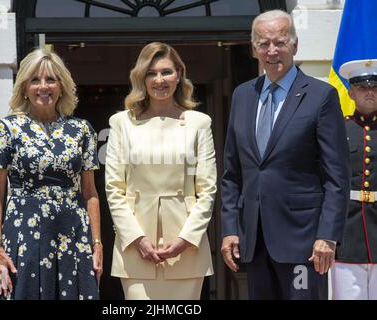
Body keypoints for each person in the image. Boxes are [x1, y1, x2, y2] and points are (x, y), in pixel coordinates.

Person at [220, 10, 350, 300]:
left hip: (304, 241)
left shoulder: (321, 96)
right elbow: (232, 174)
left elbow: (337, 176)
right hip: (254, 241)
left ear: (295, 45)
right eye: (264, 44)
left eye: (279, 42)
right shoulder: (243, 96)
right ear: (254, 49)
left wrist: (327, 235)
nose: (272, 51)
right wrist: (230, 229)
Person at [0, 48, 102, 300]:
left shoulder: (81, 130)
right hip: (24, 235)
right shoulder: (6, 129)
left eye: (51, 79)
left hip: (72, 235)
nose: (43, 86)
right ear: (24, 87)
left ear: (62, 85)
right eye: (35, 80)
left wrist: (97, 244)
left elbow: (90, 192)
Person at [105, 42, 217, 300]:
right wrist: (136, 239)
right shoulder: (121, 123)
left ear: (179, 73)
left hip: (186, 251)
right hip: (135, 250)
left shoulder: (199, 123)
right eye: (151, 73)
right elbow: (113, 188)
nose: (159, 80)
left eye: (166, 72)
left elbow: (208, 190)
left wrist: (187, 239)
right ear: (141, 78)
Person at [331, 59, 377, 300]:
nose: (370, 91)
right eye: (362, 87)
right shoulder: (337, 129)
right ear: (350, 91)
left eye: (375, 87)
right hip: (347, 235)